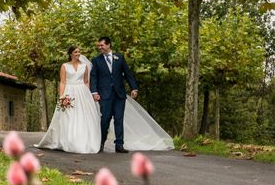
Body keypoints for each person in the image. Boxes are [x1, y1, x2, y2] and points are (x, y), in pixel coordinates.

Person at [34, 39, 175, 154]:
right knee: (104, 119)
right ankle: (99, 143)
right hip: (100, 94)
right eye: (98, 45)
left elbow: (127, 74)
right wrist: (92, 93)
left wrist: (134, 88)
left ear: (108, 45)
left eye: (101, 45)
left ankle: (119, 145)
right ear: (71, 53)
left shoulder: (119, 57)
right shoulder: (95, 61)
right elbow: (91, 78)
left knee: (119, 119)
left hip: (117, 94)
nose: (99, 47)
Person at [33, 46, 101, 154]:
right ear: (70, 54)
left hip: (82, 93)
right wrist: (62, 96)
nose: (78, 53)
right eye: (76, 52)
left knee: (83, 117)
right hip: (69, 92)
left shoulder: (84, 66)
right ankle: (68, 141)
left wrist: (88, 95)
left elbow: (86, 82)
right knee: (68, 116)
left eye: (79, 51)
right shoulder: (64, 66)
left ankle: (83, 141)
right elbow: (63, 82)